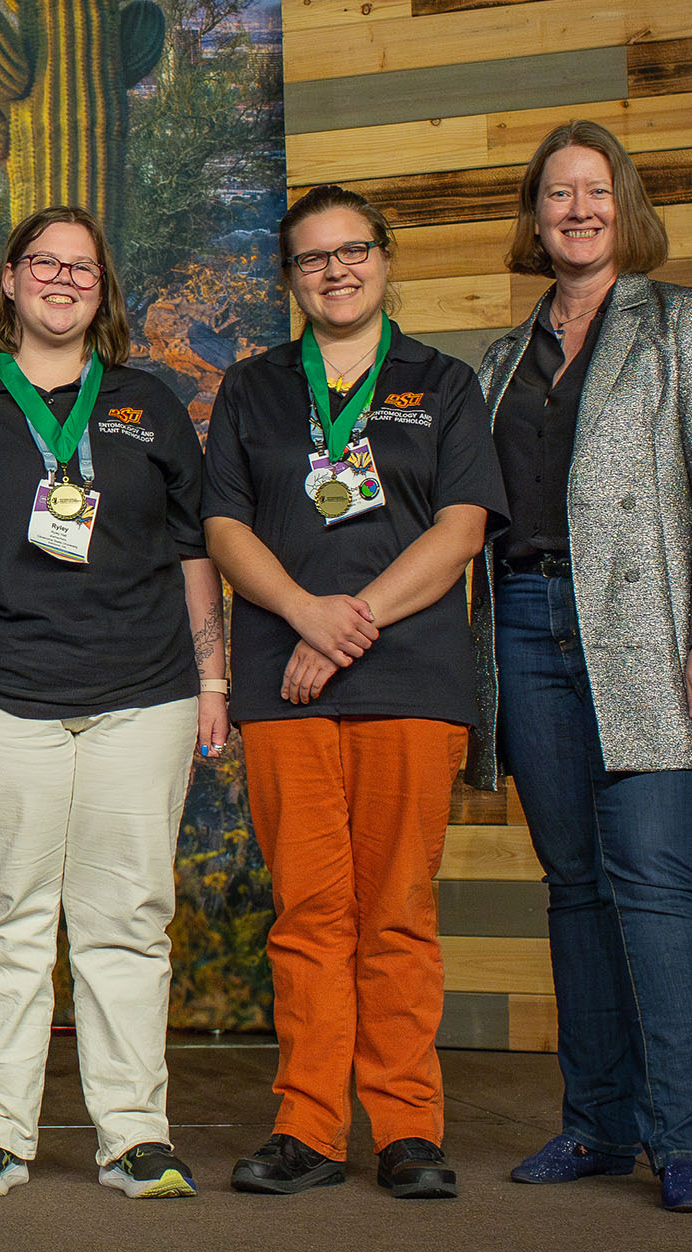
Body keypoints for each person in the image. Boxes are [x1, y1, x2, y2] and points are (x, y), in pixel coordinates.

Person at [0, 206, 228, 1202]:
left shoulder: (148, 403)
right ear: (9, 278)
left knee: (128, 921)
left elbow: (192, 551)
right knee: (2, 920)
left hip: (142, 695)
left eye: (82, 266)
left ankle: (135, 1139)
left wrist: (212, 678)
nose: (63, 279)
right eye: (44, 262)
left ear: (102, 287)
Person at [471, 119, 692, 1214]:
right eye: (558, 194)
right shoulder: (502, 357)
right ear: (535, 216)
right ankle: (596, 1123)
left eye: (595, 191)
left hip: (649, 634)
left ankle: (686, 1141)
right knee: (573, 885)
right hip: (525, 625)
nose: (577, 210)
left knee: (652, 881)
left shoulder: (684, 321)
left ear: (623, 206)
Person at [200, 185, 508, 1201]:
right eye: (312, 258)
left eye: (352, 251)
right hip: (281, 682)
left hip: (411, 681)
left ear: (385, 256)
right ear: (290, 277)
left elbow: (461, 529)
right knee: (309, 913)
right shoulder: (252, 388)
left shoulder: (443, 383)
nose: (335, 271)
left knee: (398, 912)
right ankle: (309, 1127)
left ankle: (408, 1129)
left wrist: (346, 626)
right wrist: (303, 613)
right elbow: (224, 528)